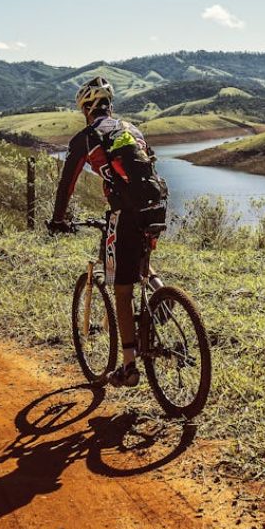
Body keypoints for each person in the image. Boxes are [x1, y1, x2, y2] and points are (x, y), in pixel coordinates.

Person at [48, 76, 166, 388]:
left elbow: (67, 184)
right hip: (156, 206)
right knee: (141, 265)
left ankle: (128, 367)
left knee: (122, 290)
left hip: (125, 213)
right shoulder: (132, 129)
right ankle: (164, 298)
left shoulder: (87, 138)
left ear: (86, 109)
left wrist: (58, 219)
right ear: (109, 106)